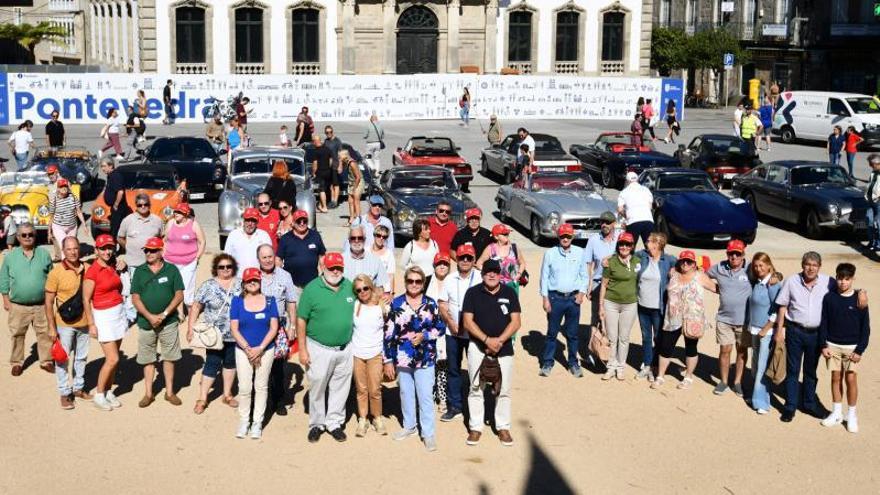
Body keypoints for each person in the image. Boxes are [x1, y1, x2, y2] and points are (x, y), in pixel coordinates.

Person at [297, 252, 356, 443]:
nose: (336, 271)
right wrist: (302, 349)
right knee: (317, 386)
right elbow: (301, 319)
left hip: (345, 348)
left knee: (341, 387)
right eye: (332, 268)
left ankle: (335, 423)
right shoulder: (312, 289)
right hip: (318, 348)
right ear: (323, 268)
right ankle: (317, 424)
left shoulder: (349, 286)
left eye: (339, 268)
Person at [384, 266, 446, 451]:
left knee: (425, 395)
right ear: (405, 282)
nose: (414, 284)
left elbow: (440, 328)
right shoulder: (396, 304)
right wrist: (388, 360)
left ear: (423, 283)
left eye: (418, 281)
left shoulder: (431, 304)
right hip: (402, 358)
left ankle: (428, 433)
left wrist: (425, 336)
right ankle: (409, 426)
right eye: (410, 281)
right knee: (406, 393)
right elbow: (388, 334)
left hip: (425, 357)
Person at [462, 259, 521, 447]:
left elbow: (516, 322)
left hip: (504, 348)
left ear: (500, 273)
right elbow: (467, 322)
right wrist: (487, 340)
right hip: (478, 347)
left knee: (503, 390)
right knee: (476, 388)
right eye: (488, 271)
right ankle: (476, 427)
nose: (492, 274)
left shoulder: (509, 292)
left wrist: (500, 341)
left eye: (495, 271)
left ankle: (503, 426)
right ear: (482, 274)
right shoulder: (472, 293)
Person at [775, 252, 833, 422]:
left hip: (816, 334)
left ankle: (809, 404)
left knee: (810, 371)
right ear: (802, 265)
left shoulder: (828, 282)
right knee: (792, 371)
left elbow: (845, 289)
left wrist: (861, 293)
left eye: (814, 265)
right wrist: (779, 330)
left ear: (819, 267)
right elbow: (783, 306)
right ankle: (790, 406)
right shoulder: (792, 281)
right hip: (795, 331)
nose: (811, 268)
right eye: (808, 264)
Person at [130, 237, 184, 408]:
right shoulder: (139, 271)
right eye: (146, 250)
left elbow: (179, 294)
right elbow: (135, 297)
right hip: (146, 322)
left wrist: (165, 313)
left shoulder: (172, 270)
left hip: (168, 322)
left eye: (152, 250)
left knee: (169, 357)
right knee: (147, 358)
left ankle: (169, 392)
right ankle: (148, 393)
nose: (148, 253)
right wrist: (150, 316)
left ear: (161, 252)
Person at [652, 250, 715, 390]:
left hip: (692, 319)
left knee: (691, 348)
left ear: (694, 264)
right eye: (683, 261)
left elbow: (717, 288)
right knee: (665, 347)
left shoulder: (700, 277)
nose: (685, 264)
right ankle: (660, 376)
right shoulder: (673, 274)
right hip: (672, 318)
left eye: (689, 261)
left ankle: (688, 377)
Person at [819, 263, 870, 433]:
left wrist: (859, 350)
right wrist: (823, 345)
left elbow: (866, 328)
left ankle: (852, 415)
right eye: (840, 278)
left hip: (851, 347)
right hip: (832, 345)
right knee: (835, 378)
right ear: (836, 278)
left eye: (847, 279)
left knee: (851, 380)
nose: (843, 282)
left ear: (852, 279)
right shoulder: (829, 298)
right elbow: (824, 322)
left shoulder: (859, 299)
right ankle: (836, 413)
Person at [188, 254, 241, 415]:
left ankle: (227, 394)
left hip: (236, 332)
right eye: (221, 267)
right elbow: (196, 306)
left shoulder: (240, 284)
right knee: (212, 363)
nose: (225, 270)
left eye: (229, 266)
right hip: (214, 334)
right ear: (215, 269)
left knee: (231, 363)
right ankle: (202, 398)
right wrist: (190, 327)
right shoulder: (208, 286)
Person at [231, 267, 278, 439]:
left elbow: (274, 327)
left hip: (265, 350)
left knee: (261, 386)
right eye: (249, 280)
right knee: (244, 387)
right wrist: (248, 349)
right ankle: (244, 420)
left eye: (256, 280)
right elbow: (234, 328)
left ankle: (257, 421)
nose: (252, 283)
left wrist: (260, 348)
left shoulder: (271, 301)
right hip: (244, 351)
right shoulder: (237, 301)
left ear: (260, 282)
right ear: (243, 283)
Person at [0, 223, 53, 376]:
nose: (28, 237)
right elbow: (3, 279)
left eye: (31, 234)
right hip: (18, 305)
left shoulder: (44, 254)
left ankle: (46, 360)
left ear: (35, 236)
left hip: (41, 304)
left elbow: (52, 278)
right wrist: (5, 298)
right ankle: (17, 362)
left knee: (44, 333)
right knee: (17, 334)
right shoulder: (10, 257)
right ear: (18, 237)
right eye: (24, 235)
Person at [45, 236, 90, 410]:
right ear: (63, 251)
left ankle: (78, 388)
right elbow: (48, 301)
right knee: (62, 359)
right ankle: (64, 392)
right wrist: (51, 326)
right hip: (64, 323)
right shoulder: (56, 272)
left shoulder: (87, 268)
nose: (73, 252)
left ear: (80, 249)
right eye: (69, 249)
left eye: (76, 248)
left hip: (84, 322)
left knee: (81, 357)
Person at [437, 244, 481, 422]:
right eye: (462, 257)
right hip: (453, 331)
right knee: (454, 369)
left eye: (468, 258)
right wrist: (450, 321)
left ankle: (475, 406)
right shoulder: (449, 279)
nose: (464, 261)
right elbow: (442, 304)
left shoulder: (480, 278)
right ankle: (455, 405)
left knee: (475, 369)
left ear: (474, 260)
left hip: (474, 332)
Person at [83, 234, 127, 411]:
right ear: (96, 250)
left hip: (118, 313)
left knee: (115, 360)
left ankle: (108, 391)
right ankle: (99, 394)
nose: (107, 251)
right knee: (112, 358)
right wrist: (91, 324)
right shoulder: (92, 271)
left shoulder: (113, 265)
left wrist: (122, 267)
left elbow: (120, 287)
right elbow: (86, 299)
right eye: (103, 248)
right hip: (103, 316)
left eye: (110, 247)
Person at [539, 224, 587, 377]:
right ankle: (547, 362)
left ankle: (573, 363)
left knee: (572, 334)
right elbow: (544, 277)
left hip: (573, 299)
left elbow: (584, 275)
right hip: (555, 298)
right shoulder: (550, 253)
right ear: (558, 237)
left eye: (568, 236)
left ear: (572, 237)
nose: (565, 239)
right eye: (562, 236)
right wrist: (545, 298)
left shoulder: (580, 252)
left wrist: (581, 293)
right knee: (552, 333)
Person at [256, 244, 297, 416]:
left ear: (275, 257)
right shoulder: (252, 276)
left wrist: (292, 325)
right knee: (258, 365)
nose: (267, 260)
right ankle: (259, 401)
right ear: (258, 259)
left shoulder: (285, 275)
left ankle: (278, 400)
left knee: (278, 367)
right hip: (257, 326)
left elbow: (291, 301)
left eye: (270, 256)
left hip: (279, 327)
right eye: (264, 257)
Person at [707, 239, 751, 397]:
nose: (734, 257)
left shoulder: (751, 268)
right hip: (724, 318)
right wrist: (715, 288)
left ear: (743, 255)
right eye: (731, 253)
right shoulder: (720, 267)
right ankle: (724, 381)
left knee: (741, 351)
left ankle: (737, 382)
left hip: (744, 320)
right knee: (725, 349)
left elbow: (768, 275)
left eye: (737, 254)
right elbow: (704, 274)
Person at [634, 232, 677, 380]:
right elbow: (626, 254)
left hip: (658, 307)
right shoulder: (643, 256)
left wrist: (674, 270)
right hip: (642, 305)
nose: (647, 244)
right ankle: (646, 365)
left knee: (658, 338)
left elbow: (686, 265)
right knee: (646, 337)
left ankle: (655, 366)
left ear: (658, 244)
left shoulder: (668, 260)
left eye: (650, 242)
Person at [598, 232, 639, 380]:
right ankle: (611, 366)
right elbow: (603, 285)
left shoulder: (637, 261)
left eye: (627, 244)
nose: (624, 247)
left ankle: (621, 366)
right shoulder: (611, 262)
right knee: (612, 337)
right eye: (621, 244)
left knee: (624, 337)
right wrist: (601, 306)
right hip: (611, 302)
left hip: (630, 304)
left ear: (632, 246)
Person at [351, 274, 388, 437]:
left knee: (375, 389)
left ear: (370, 287)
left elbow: (390, 331)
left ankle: (377, 417)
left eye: (365, 288)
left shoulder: (382, 306)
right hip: (357, 353)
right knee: (361, 389)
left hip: (376, 353)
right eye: (358, 290)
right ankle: (363, 418)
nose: (363, 292)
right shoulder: (355, 305)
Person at [747, 252, 782, 415]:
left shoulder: (773, 284)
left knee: (762, 367)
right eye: (755, 266)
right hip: (754, 329)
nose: (758, 268)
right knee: (755, 365)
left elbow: (778, 308)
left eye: (761, 265)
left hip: (765, 332)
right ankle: (756, 396)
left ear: (769, 265)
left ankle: (761, 402)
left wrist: (766, 328)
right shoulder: (757, 282)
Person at [163, 203, 205, 314]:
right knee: (172, 288)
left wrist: (197, 257)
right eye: (175, 211)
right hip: (170, 261)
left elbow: (202, 241)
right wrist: (163, 254)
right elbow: (165, 240)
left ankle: (191, 312)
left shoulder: (194, 225)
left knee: (187, 290)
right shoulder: (171, 223)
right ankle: (180, 313)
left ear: (186, 214)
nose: (176, 214)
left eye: (179, 212)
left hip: (188, 262)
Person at [585, 211, 619, 334]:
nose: (604, 225)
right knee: (595, 317)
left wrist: (609, 257)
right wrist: (588, 286)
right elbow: (588, 263)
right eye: (602, 222)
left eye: (608, 222)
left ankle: (609, 349)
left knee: (611, 319)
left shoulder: (620, 240)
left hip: (615, 284)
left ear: (614, 223)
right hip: (597, 282)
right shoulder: (593, 240)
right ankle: (592, 349)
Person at [277, 209, 326, 293]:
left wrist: (325, 276)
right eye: (299, 221)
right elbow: (278, 260)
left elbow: (322, 257)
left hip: (312, 284)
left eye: (305, 221)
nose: (302, 223)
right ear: (293, 223)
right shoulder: (285, 238)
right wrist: (279, 279)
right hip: (292, 285)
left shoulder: (315, 236)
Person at [426, 252, 451, 410]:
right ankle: (429, 395)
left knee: (443, 364)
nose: (442, 267)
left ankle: (442, 397)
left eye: (445, 264)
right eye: (439, 264)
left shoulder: (453, 281)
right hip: (428, 328)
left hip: (447, 328)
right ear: (434, 266)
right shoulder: (427, 280)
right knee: (428, 363)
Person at [477, 223, 526, 293]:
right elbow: (479, 263)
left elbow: (522, 263)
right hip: (495, 285)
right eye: (504, 234)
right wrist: (489, 274)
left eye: (507, 233)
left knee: (513, 303)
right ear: (496, 237)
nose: (507, 235)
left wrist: (519, 274)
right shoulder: (490, 249)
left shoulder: (514, 247)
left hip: (512, 284)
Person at [343, 225, 391, 295]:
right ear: (349, 240)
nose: (356, 241)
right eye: (353, 238)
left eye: (360, 238)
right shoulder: (340, 260)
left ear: (364, 239)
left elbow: (383, 288)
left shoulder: (375, 260)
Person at [48, 178, 85, 262]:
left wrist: (84, 225)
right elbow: (51, 216)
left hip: (72, 226)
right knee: (64, 246)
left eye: (65, 186)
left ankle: (74, 262)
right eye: (61, 187)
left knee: (72, 245)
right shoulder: (54, 200)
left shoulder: (73, 197)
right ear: (58, 188)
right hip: (58, 226)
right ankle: (66, 264)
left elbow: (79, 212)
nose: (64, 188)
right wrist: (49, 231)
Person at [617, 172, 654, 248]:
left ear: (627, 181)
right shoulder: (646, 189)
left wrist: (626, 216)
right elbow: (650, 206)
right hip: (648, 219)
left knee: (629, 247)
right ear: (637, 180)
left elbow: (620, 209)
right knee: (651, 247)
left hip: (633, 221)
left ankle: (629, 259)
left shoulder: (624, 192)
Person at [102, 157, 130, 239]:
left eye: (104, 166)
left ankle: (113, 249)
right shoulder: (110, 176)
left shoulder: (116, 176)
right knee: (115, 228)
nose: (102, 169)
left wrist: (116, 204)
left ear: (110, 166)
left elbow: (120, 192)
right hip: (115, 208)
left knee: (115, 230)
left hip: (119, 208)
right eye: (102, 166)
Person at [339, 149, 363, 224]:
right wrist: (340, 162)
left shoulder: (352, 163)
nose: (339, 157)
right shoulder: (346, 162)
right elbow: (340, 171)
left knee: (356, 201)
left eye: (340, 156)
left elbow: (358, 177)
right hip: (351, 182)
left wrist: (354, 189)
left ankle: (359, 220)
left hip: (358, 182)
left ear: (345, 156)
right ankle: (352, 219)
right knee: (350, 201)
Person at [370, 224, 396, 295]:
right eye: (378, 235)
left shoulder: (389, 254)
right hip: (367, 290)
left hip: (384, 292)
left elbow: (391, 275)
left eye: (384, 237)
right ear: (374, 235)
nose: (381, 238)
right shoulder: (366, 251)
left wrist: (391, 294)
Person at [311, 135, 334, 213]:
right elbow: (331, 160)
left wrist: (314, 173)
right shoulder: (327, 149)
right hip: (328, 171)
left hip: (320, 172)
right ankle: (321, 205)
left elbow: (315, 164)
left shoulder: (315, 151)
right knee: (326, 188)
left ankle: (324, 207)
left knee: (321, 190)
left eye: (313, 141)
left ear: (315, 141)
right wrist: (328, 167)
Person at [323, 126, 343, 209]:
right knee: (330, 184)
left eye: (330, 132)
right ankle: (332, 200)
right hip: (328, 166)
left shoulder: (337, 141)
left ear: (332, 131)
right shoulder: (326, 141)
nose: (329, 134)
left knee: (336, 184)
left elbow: (340, 155)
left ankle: (335, 201)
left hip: (335, 165)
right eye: (327, 132)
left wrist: (340, 165)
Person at [865, 154, 880, 251]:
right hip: (871, 201)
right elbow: (870, 185)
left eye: (871, 164)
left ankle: (878, 244)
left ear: (877, 163)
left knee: (878, 223)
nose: (870, 166)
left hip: (878, 202)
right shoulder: (873, 173)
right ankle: (872, 242)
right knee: (869, 221)